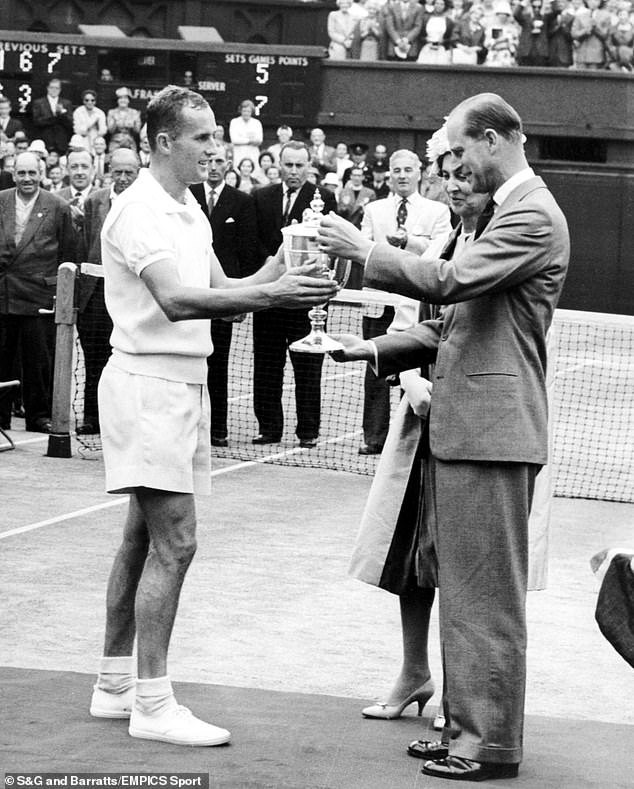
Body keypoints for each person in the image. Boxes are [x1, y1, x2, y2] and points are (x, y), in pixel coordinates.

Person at [317, 92, 570, 781]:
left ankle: (488, 746)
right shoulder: (503, 212)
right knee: (462, 590)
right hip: (472, 430)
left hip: (493, 432)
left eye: (459, 152)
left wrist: (366, 250)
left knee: (486, 597)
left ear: (492, 139)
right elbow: (449, 327)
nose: (453, 166)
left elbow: (451, 281)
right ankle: (464, 728)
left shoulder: (530, 214)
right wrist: (367, 352)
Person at [90, 85, 337, 747]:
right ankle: (152, 701)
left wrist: (276, 270)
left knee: (140, 539)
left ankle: (115, 684)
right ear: (165, 141)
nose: (216, 148)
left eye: (216, 136)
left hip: (181, 387)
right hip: (147, 388)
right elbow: (174, 299)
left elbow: (224, 293)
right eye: (202, 138)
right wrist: (277, 292)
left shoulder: (188, 206)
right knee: (177, 542)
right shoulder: (137, 209)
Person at [353, 123, 493, 730]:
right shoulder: (440, 246)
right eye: (450, 178)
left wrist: (449, 391)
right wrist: (409, 381)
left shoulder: (498, 245)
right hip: (418, 424)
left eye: (467, 179)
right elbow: (417, 317)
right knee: (409, 558)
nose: (457, 188)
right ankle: (415, 675)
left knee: (461, 562)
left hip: (472, 426)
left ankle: (460, 692)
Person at [358, 148, 451, 456]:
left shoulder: (437, 211)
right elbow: (364, 247)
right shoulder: (373, 209)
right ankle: (374, 438)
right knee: (375, 370)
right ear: (390, 175)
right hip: (379, 305)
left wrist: (408, 242)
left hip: (415, 305)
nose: (402, 175)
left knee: (411, 371)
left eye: (407, 170)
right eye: (396, 170)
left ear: (419, 173)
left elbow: (442, 251)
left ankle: (404, 437)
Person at [251, 140, 338, 448]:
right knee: (267, 365)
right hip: (270, 298)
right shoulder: (261, 197)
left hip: (305, 299)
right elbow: (256, 242)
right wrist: (269, 267)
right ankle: (269, 428)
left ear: (308, 166)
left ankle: (308, 431)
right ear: (279, 164)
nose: (293, 171)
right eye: (288, 165)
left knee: (308, 367)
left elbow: (328, 244)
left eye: (299, 165)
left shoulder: (325, 198)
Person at [189, 144, 259, 447]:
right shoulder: (188, 196)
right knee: (191, 361)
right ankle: (191, 425)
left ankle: (217, 428)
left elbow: (247, 252)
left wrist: (239, 296)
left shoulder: (241, 202)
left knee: (218, 363)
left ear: (228, 164)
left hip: (224, 295)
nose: (214, 166)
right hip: (192, 292)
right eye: (210, 161)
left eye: (220, 161)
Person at [0, 152, 74, 433]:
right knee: (2, 360)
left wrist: (64, 299)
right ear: (14, 174)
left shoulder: (58, 206)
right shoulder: (2, 200)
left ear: (41, 174)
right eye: (22, 173)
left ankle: (39, 415)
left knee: (38, 361)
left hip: (39, 296)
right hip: (4, 294)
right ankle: (1, 416)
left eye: (32, 173)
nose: (27, 179)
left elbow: (69, 255)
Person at [75, 148, 141, 435]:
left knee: (130, 360)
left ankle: (126, 422)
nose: (124, 178)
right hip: (95, 294)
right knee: (94, 359)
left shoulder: (146, 203)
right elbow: (86, 245)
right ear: (108, 172)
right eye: (118, 172)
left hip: (133, 293)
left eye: (130, 172)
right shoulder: (94, 201)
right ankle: (92, 415)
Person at [32, 77, 73, 154]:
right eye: (52, 87)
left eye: (57, 88)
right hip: (45, 141)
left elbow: (70, 123)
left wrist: (61, 114)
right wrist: (55, 116)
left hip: (61, 143)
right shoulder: (38, 103)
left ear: (60, 90)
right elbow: (37, 121)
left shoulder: (66, 103)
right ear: (47, 88)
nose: (54, 90)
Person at [228, 99, 263, 168]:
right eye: (244, 111)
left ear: (252, 112)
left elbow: (259, 140)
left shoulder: (257, 123)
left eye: (248, 111)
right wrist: (250, 140)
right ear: (240, 111)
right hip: (239, 154)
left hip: (253, 155)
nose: (246, 113)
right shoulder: (234, 122)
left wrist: (242, 138)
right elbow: (234, 140)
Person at [106, 87, 142, 151]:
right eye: (120, 98)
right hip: (115, 141)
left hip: (130, 142)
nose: (123, 100)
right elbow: (110, 130)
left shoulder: (134, 112)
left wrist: (133, 124)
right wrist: (115, 123)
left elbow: (137, 131)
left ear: (128, 100)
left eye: (125, 98)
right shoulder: (112, 112)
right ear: (117, 100)